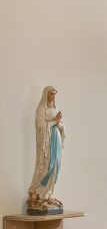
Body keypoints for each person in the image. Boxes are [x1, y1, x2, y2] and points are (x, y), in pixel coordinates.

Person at [27, 86, 66, 215]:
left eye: (54, 94)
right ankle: (38, 194)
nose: (53, 96)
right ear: (46, 95)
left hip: (56, 139)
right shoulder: (40, 110)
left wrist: (59, 123)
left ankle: (48, 194)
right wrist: (55, 121)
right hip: (46, 142)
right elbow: (40, 127)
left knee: (55, 166)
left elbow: (58, 124)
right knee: (47, 166)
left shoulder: (54, 108)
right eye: (51, 94)